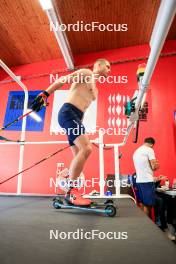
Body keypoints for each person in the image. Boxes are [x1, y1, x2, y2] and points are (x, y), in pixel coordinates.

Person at [31, 58, 111, 206]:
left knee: (79, 154)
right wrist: (44, 94)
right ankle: (72, 192)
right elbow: (63, 80)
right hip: (68, 112)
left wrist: (82, 128)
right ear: (98, 65)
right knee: (87, 149)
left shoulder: (96, 91)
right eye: (107, 66)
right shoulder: (86, 73)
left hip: (77, 118)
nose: (109, 69)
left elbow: (84, 108)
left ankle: (71, 190)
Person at [133, 137, 160, 217]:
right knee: (148, 205)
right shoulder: (149, 150)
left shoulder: (137, 151)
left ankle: (143, 224)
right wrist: (157, 165)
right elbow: (154, 166)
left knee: (143, 204)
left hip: (139, 181)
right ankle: (147, 225)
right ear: (151, 144)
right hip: (147, 181)